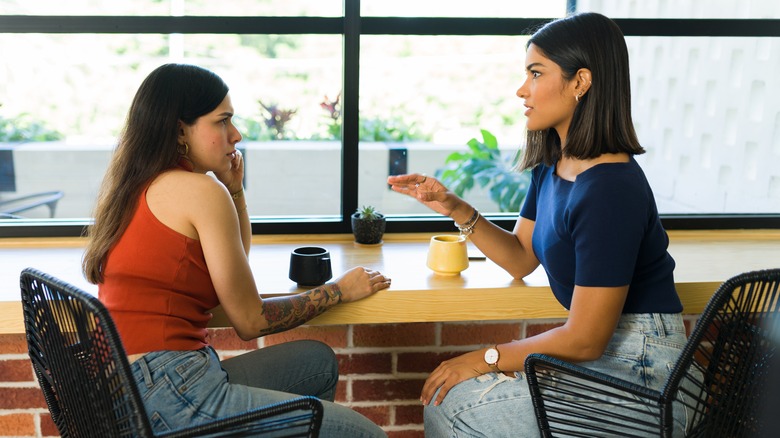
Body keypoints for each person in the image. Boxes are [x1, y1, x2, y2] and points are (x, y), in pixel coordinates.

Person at [388, 12, 692, 437]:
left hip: (642, 374)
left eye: (536, 73)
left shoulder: (609, 188)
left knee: (457, 410)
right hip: (604, 356)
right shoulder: (555, 163)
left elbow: (586, 338)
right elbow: (520, 258)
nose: (521, 90)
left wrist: (485, 357)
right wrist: (454, 207)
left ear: (580, 82)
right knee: (453, 402)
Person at [82, 63, 390, 437]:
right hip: (168, 389)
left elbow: (233, 263)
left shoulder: (138, 184)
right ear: (181, 129)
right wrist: (338, 291)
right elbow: (250, 320)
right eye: (222, 121)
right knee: (365, 435)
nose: (236, 134)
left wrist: (234, 191)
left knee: (316, 363)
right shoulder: (196, 190)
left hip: (131, 387)